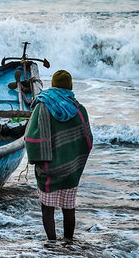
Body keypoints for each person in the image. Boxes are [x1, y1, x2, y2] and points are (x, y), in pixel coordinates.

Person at [24, 70, 93, 242]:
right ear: (70, 85)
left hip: (48, 169)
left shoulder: (42, 106)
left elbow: (31, 138)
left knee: (47, 208)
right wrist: (75, 162)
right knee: (68, 208)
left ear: (53, 84)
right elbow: (87, 140)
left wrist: (36, 161)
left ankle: (52, 243)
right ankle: (69, 242)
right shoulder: (78, 109)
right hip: (71, 170)